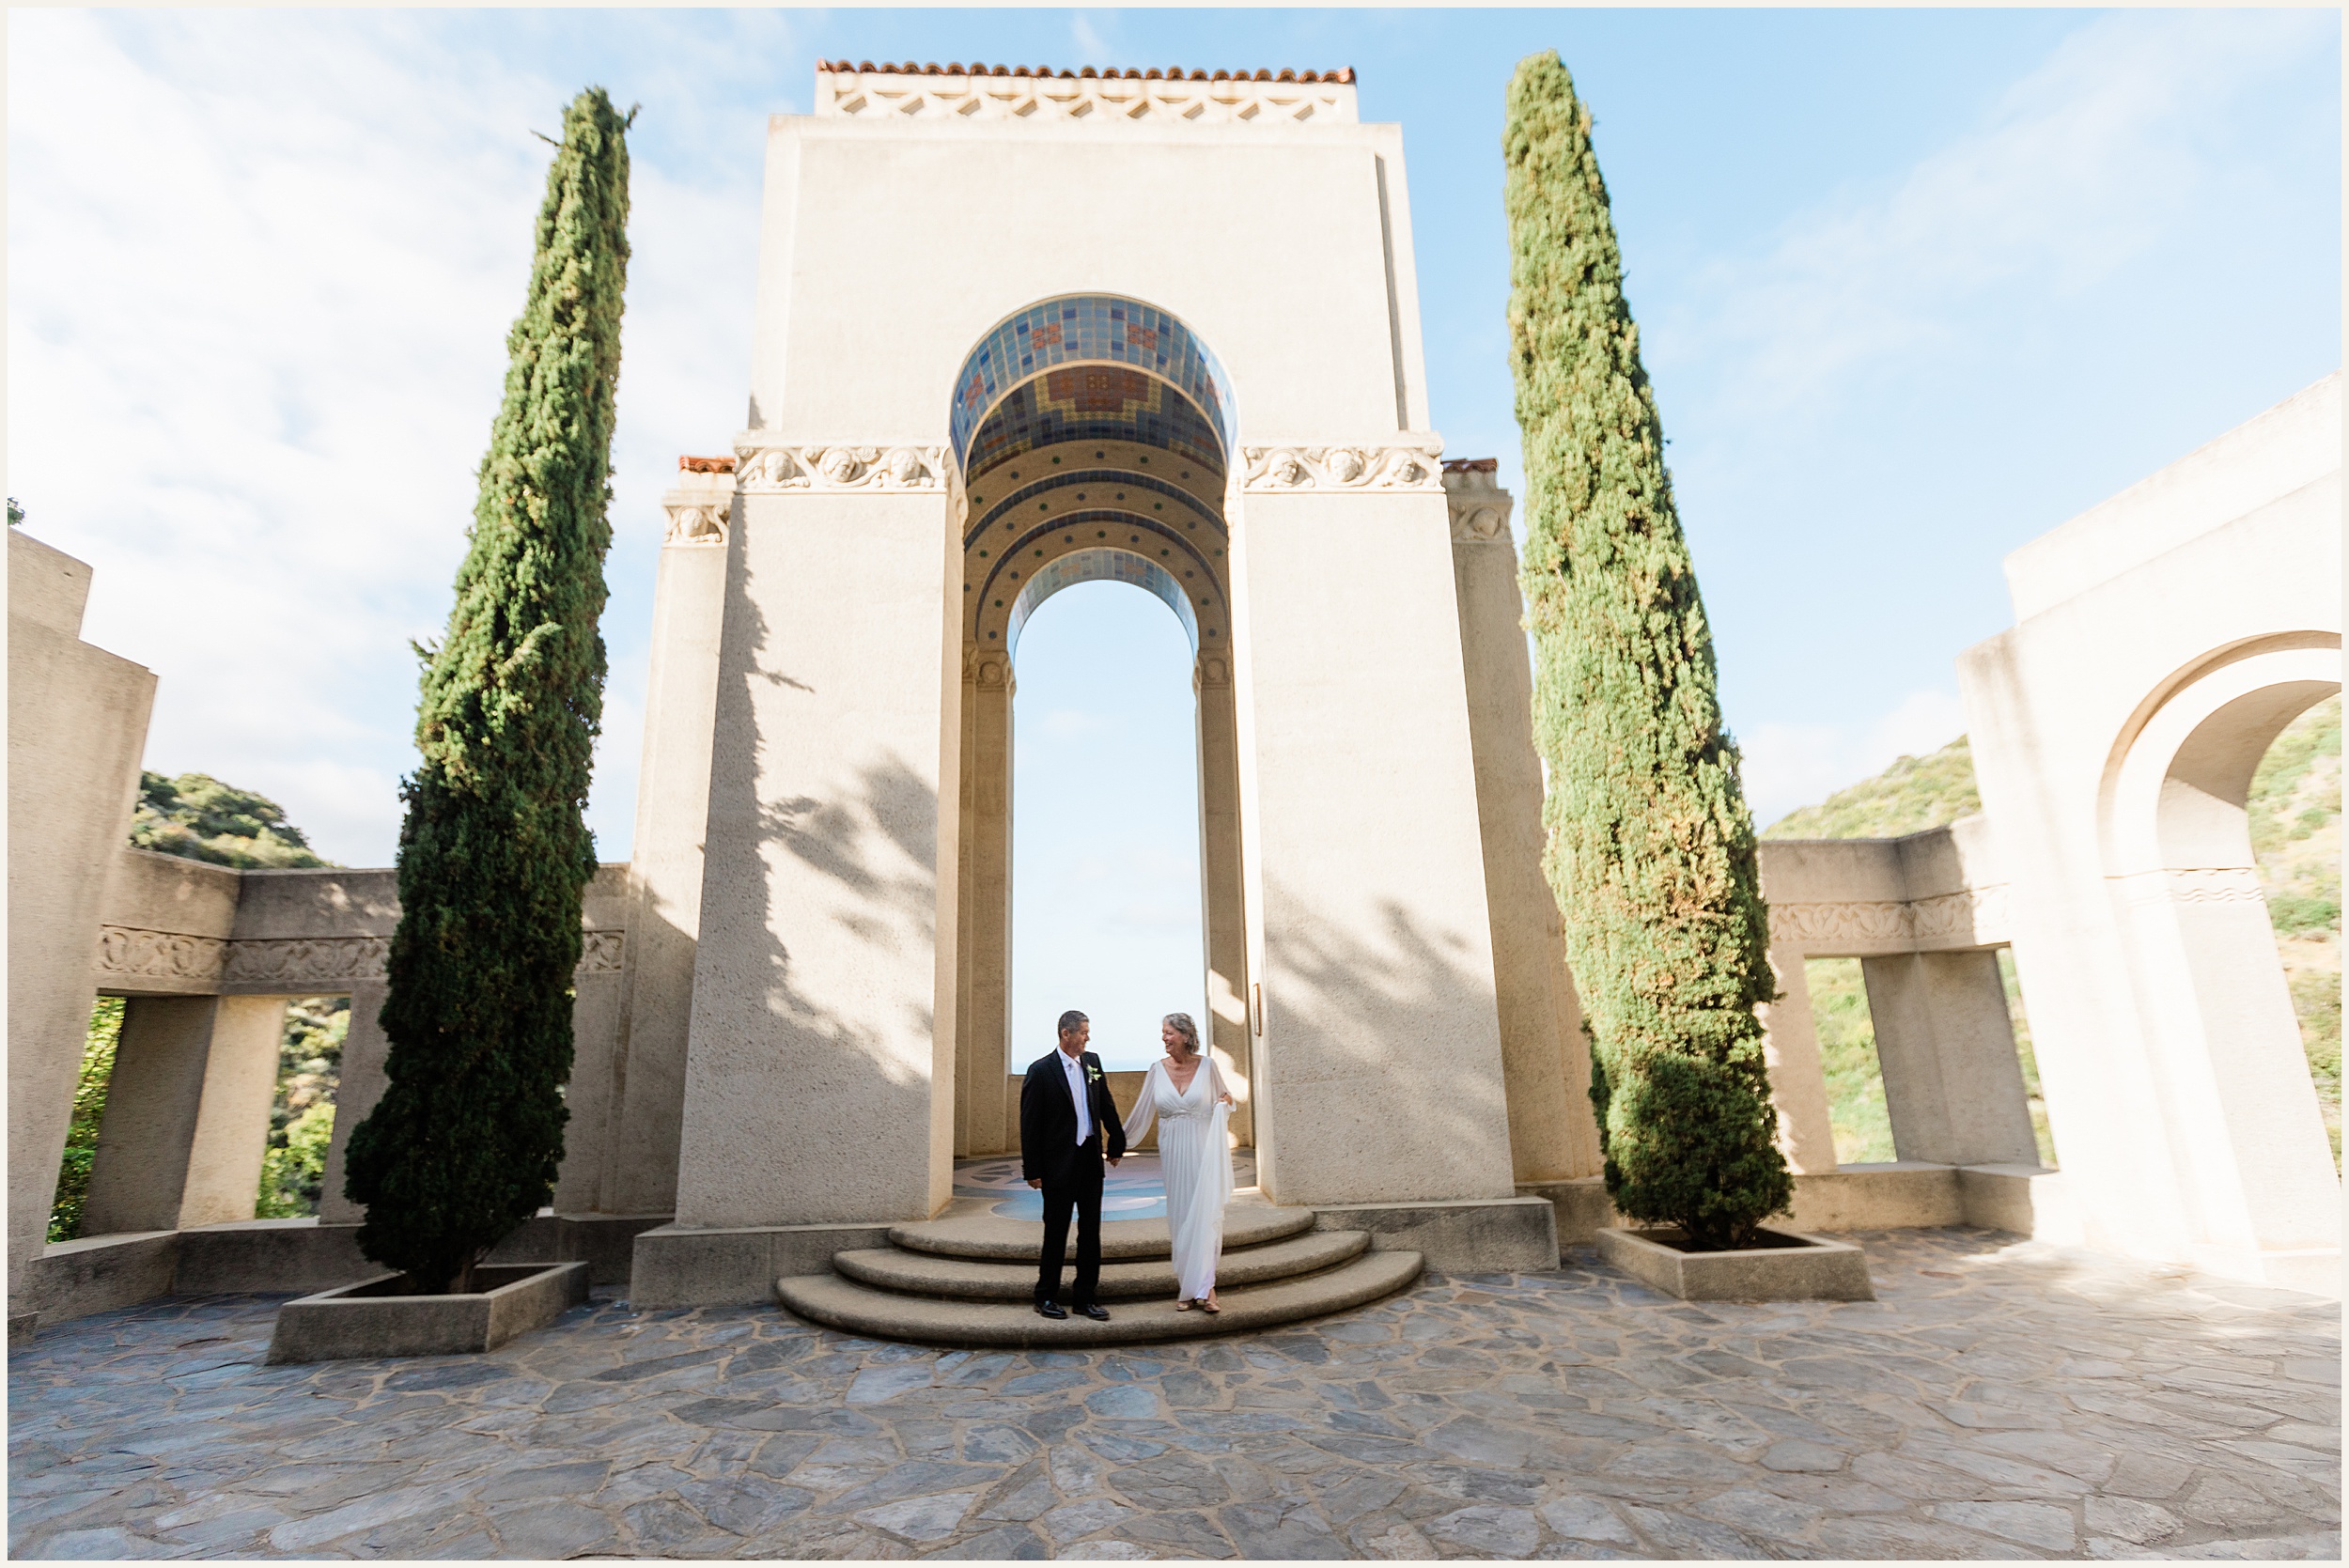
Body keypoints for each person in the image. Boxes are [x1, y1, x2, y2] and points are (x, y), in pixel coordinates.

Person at [1121, 1013, 1236, 1313]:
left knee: (1205, 1213)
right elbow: (1142, 1112)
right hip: (1172, 1149)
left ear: (1185, 1035)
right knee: (1182, 1216)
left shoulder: (1208, 1066)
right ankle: (1187, 1283)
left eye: (1169, 1033)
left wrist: (1223, 1104)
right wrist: (1118, 1144)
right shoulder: (1156, 1070)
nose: (1164, 1038)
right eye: (1163, 1033)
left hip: (1202, 1149)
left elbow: (1226, 1096)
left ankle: (1207, 1288)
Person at [1020, 1009, 1126, 1321]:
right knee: (1056, 1232)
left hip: (1090, 1162)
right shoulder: (1041, 1071)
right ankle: (1046, 1296)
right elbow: (1030, 1124)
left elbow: (1106, 1104)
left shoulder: (1092, 1063)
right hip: (1057, 1166)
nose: (1087, 1037)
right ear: (1066, 1034)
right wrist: (1033, 1170)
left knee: (1090, 1233)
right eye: (1083, 1032)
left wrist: (1116, 1143)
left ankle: (1085, 1298)